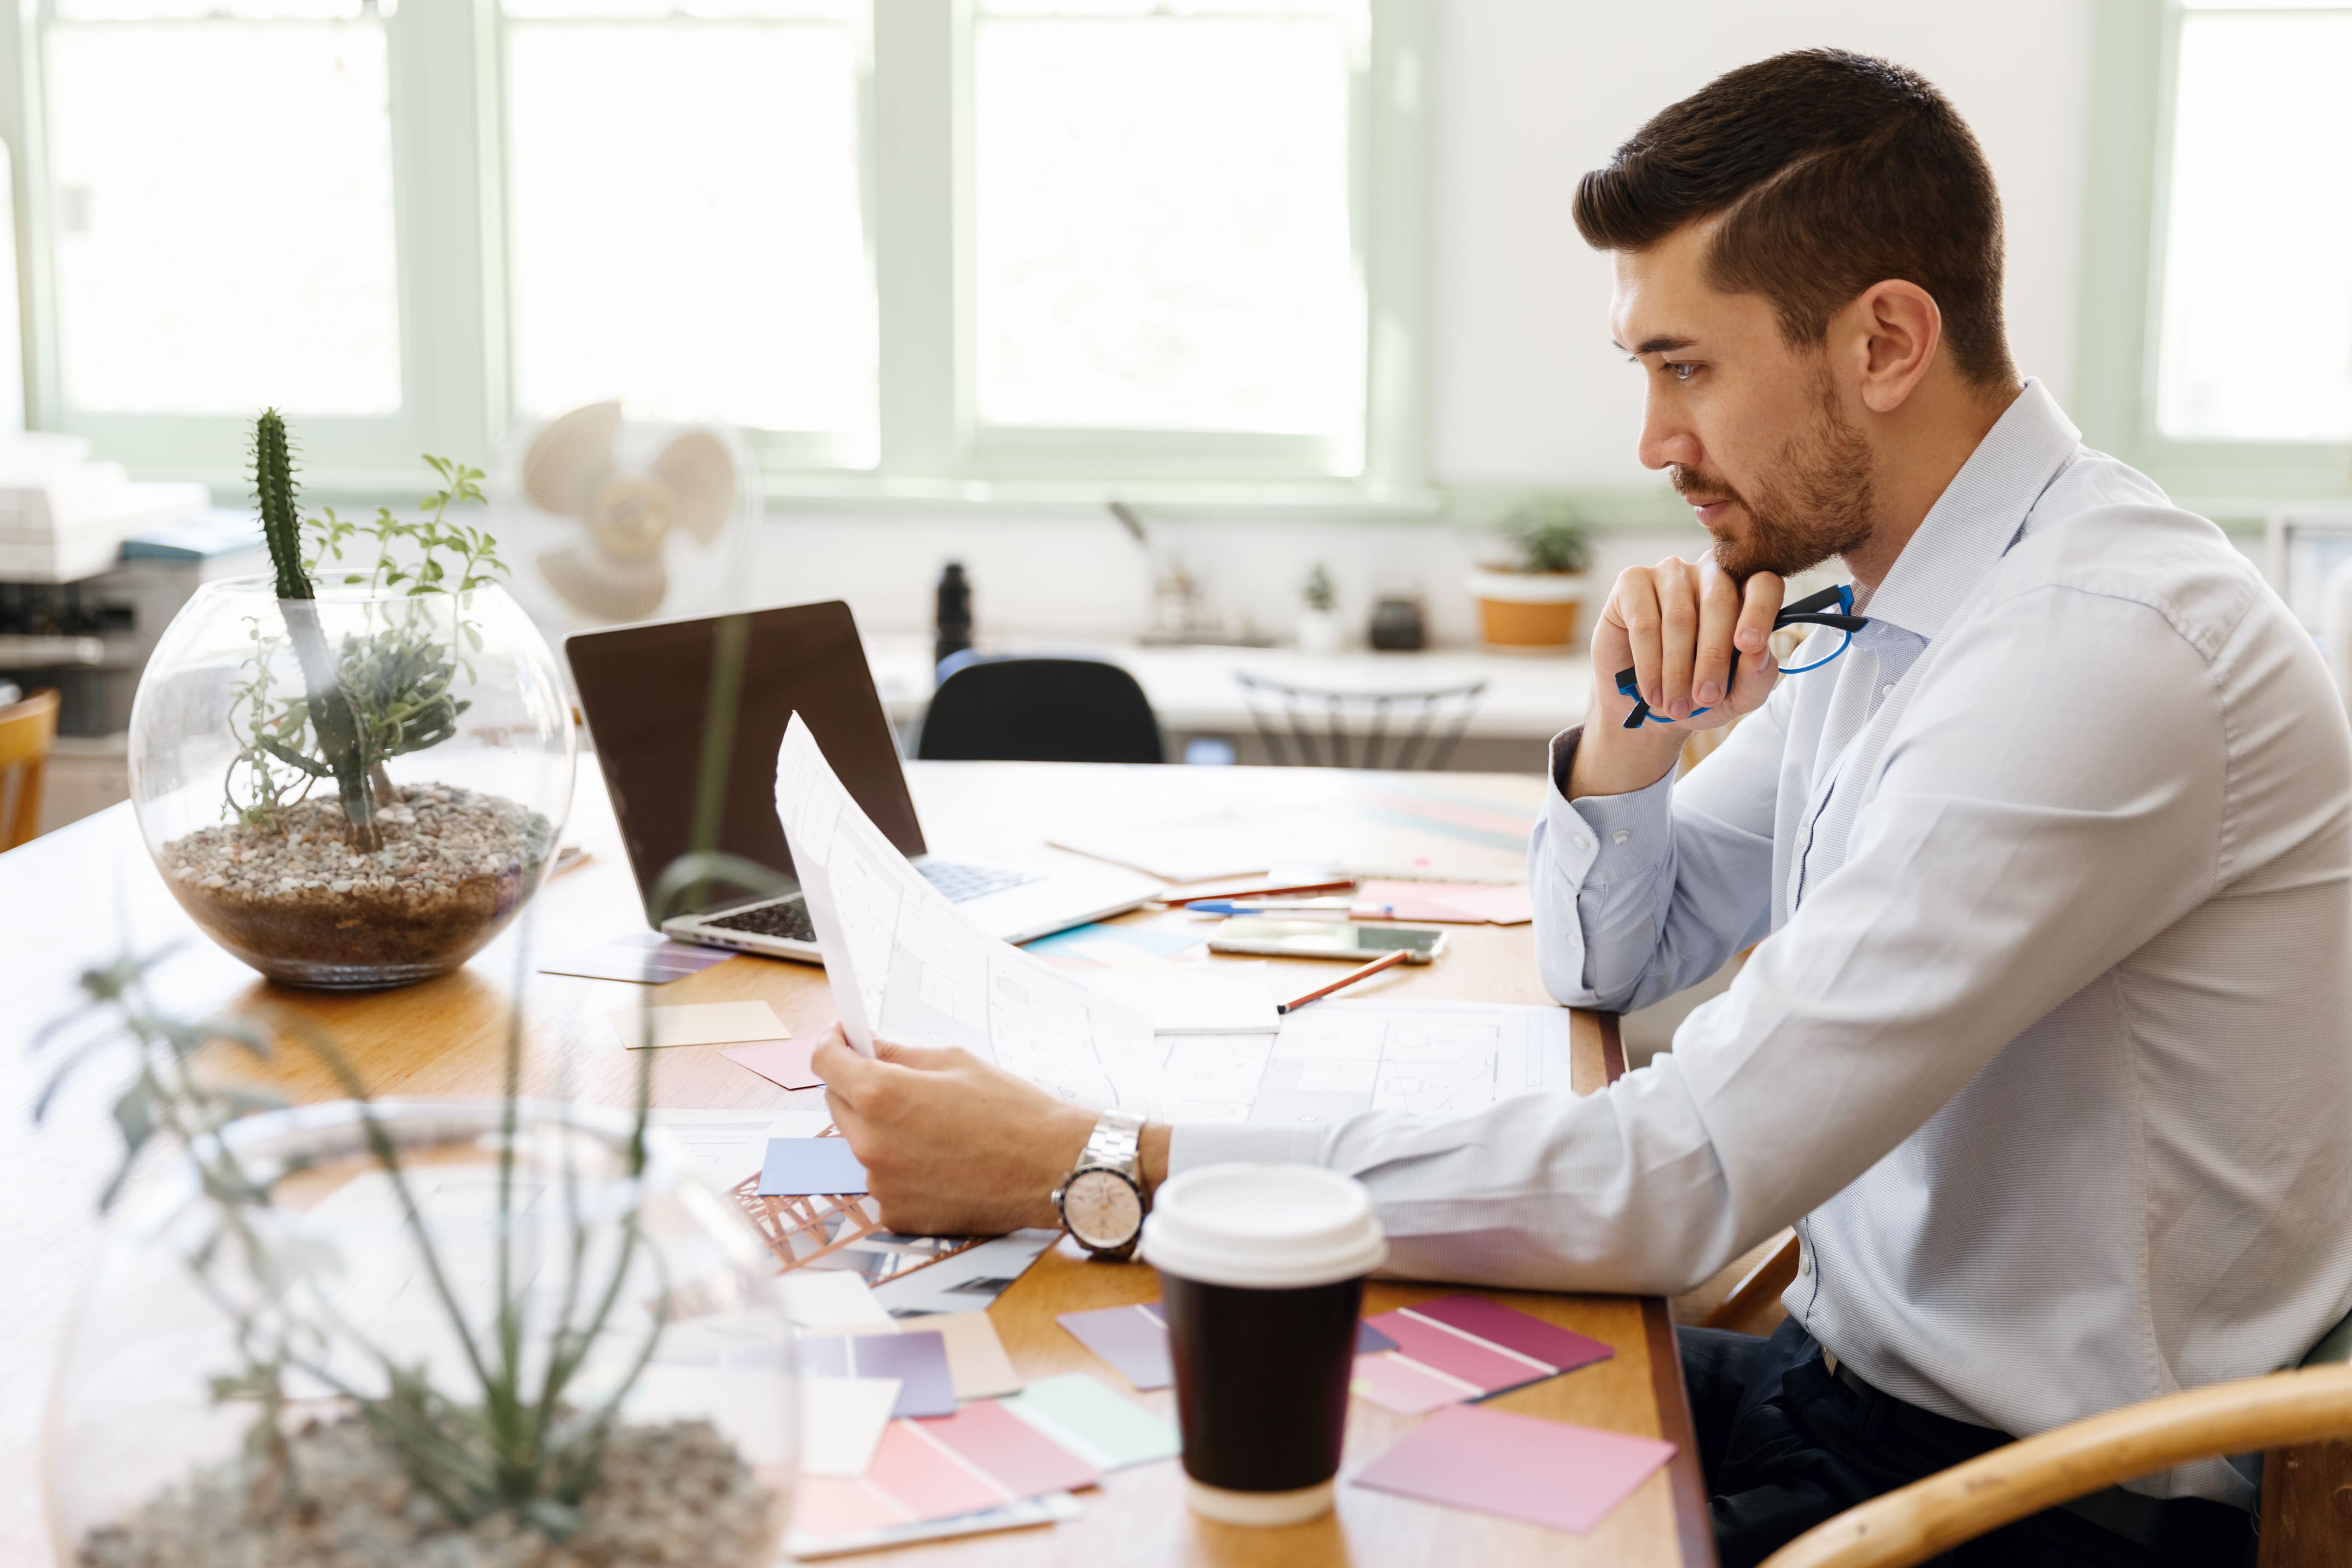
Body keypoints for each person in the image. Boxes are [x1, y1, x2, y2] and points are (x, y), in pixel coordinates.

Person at [812, 48, 2352, 1567]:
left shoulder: (2091, 655)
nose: (1652, 443)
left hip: (2045, 1499)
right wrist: (1626, 749)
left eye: (1685, 366)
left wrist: (1087, 1158)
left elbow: (1676, 1177)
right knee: (1281, 1415)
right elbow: (1611, 958)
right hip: (1843, 1390)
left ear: (1884, 341)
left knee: (1312, 1481)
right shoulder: (1904, 603)